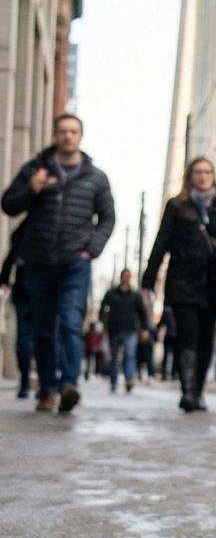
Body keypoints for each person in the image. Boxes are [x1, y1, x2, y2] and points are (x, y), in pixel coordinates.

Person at [1, 114, 115, 414]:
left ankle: (69, 385)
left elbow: (107, 218)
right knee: (42, 328)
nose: (68, 136)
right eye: (63, 131)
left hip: (74, 262)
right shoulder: (35, 170)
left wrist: (91, 249)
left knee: (69, 321)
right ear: (55, 135)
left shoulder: (95, 177)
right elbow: (8, 204)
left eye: (73, 131)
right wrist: (32, 189)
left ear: (80, 135)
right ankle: (47, 390)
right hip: (37, 261)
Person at [142, 157, 216, 412]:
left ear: (213, 175)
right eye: (198, 172)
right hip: (183, 281)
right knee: (187, 335)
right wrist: (149, 280)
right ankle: (187, 391)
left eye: (208, 172)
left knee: (206, 337)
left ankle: (198, 391)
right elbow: (161, 243)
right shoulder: (177, 206)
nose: (203, 176)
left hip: (214, 281)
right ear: (190, 176)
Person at [100, 269, 148, 393]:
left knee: (130, 355)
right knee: (114, 357)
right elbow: (102, 309)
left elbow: (143, 313)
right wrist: (104, 323)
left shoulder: (135, 295)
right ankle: (114, 381)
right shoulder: (111, 293)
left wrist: (144, 329)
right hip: (114, 329)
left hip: (130, 329)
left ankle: (129, 379)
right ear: (121, 277)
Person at [1, 222, 33, 398]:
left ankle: (29, 383)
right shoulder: (22, 243)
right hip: (24, 297)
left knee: (30, 340)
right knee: (25, 342)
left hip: (34, 297)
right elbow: (7, 265)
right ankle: (26, 381)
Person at [157, 305, 177, 380]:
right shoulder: (178, 311)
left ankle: (166, 374)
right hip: (173, 336)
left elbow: (161, 323)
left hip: (170, 335)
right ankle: (173, 374)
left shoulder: (167, 311)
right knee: (173, 356)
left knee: (167, 355)